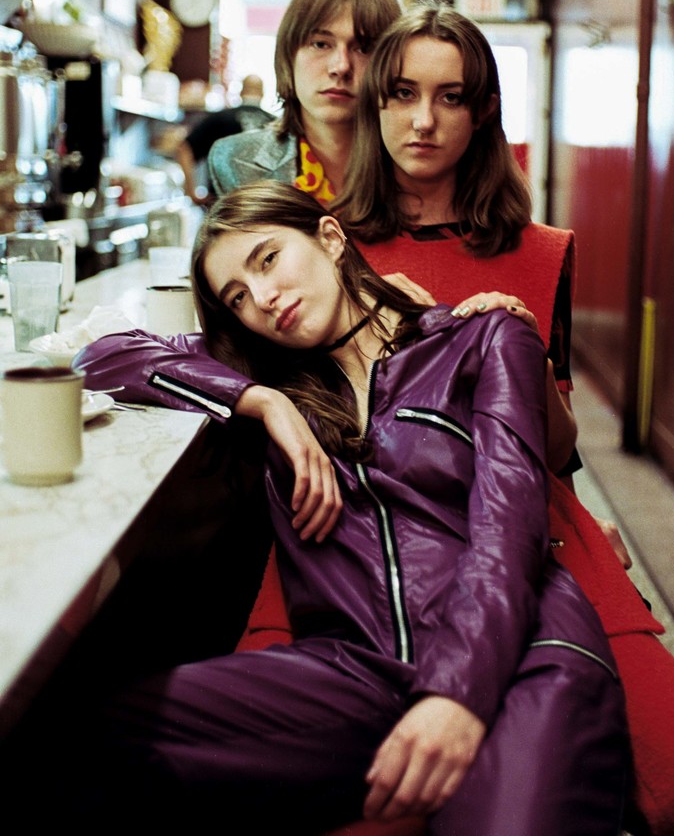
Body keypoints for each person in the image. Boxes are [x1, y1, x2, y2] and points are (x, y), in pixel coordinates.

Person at [67, 182, 628, 833]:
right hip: (360, 670)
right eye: (238, 297)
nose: (263, 298)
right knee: (90, 740)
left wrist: (454, 698)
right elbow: (98, 356)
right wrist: (262, 402)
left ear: (330, 239)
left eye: (268, 258)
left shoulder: (480, 339)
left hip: (523, 655)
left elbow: (508, 534)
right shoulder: (273, 382)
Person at [207, 0, 402, 202]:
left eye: (364, 48)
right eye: (320, 44)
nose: (340, 66)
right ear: (289, 55)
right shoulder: (236, 161)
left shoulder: (415, 161)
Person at [174, 73, 276, 204]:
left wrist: (191, 191)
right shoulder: (276, 124)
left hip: (223, 207)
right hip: (265, 207)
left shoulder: (220, 118)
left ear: (241, 92)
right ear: (262, 93)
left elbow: (184, 149)